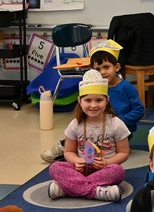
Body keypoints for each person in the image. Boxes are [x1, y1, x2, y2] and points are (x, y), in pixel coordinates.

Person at [39, 39, 143, 161]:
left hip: (120, 130)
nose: (103, 72)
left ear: (117, 67)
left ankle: (109, 150)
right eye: (98, 69)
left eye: (106, 67)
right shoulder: (94, 89)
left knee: (104, 149)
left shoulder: (126, 87)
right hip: (95, 126)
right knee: (83, 136)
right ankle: (66, 148)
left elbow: (139, 110)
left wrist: (119, 121)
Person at [48, 69, 131, 202]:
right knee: (55, 167)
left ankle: (68, 189)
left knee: (117, 171)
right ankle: (96, 191)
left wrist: (106, 163)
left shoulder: (116, 124)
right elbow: (68, 152)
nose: (93, 105)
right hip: (80, 170)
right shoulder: (75, 125)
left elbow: (124, 152)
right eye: (88, 100)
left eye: (99, 100)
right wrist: (76, 161)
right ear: (80, 101)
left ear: (107, 100)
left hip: (105, 169)